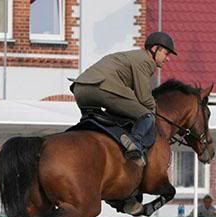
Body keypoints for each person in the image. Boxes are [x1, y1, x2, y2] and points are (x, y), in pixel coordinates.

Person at [70, 31, 177, 167]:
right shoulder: (146, 61)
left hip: (80, 90)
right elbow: (144, 98)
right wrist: (156, 111)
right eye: (166, 54)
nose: (167, 59)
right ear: (155, 49)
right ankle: (134, 143)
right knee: (147, 115)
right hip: (101, 88)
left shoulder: (132, 56)